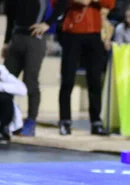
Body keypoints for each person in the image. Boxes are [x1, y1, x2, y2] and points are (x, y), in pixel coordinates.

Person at [38, 0, 116, 136]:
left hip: (94, 33)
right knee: (67, 79)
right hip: (71, 32)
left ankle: (96, 121)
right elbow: (55, 3)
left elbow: (110, 4)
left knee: (95, 79)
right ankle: (65, 120)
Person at [2, 0, 67, 136]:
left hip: (34, 38)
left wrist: (48, 23)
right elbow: (11, 17)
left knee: (30, 81)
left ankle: (31, 121)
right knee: (6, 82)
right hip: (17, 37)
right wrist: (7, 42)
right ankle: (6, 121)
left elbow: (63, 3)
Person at [0, 64, 28, 145]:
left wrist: (1, 87)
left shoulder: (2, 72)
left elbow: (23, 90)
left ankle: (3, 129)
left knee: (5, 98)